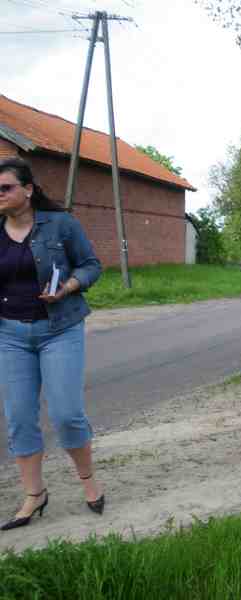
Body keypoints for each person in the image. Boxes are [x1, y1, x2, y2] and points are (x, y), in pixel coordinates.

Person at [0, 157, 104, 531]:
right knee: (19, 418)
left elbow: (91, 265)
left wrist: (68, 287)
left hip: (59, 329)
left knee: (66, 414)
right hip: (10, 335)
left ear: (28, 190)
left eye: (5, 187)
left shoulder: (61, 224)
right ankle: (35, 494)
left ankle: (88, 481)